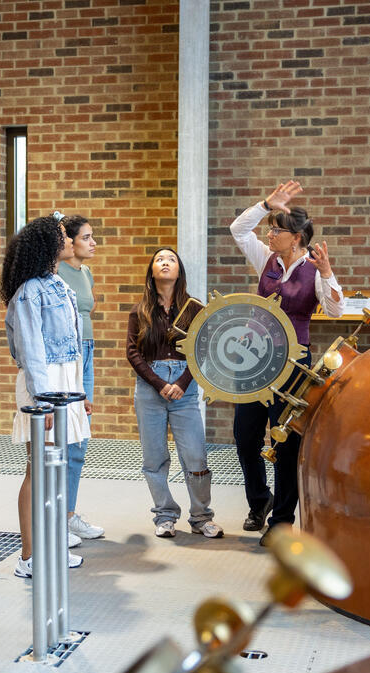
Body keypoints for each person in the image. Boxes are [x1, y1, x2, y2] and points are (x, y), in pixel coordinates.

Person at [229, 180, 344, 545]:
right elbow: (238, 229)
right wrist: (266, 204)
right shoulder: (266, 258)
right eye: (270, 229)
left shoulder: (313, 267)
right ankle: (259, 501)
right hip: (254, 357)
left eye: (276, 230)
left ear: (295, 237)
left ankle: (281, 522)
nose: (269, 234)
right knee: (245, 437)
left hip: (294, 363)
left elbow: (336, 309)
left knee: (285, 441)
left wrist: (326, 272)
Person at [1, 215, 90, 578]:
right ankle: (29, 556)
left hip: (65, 384)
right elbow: (30, 348)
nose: (67, 239)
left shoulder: (59, 285)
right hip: (44, 384)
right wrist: (43, 398)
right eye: (61, 236)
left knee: (56, 472)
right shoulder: (29, 291)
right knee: (37, 470)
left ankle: (52, 547)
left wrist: (79, 392)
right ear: (48, 245)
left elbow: (75, 345)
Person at [126, 247, 223, 539]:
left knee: (195, 455)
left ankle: (201, 516)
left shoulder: (194, 308)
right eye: (159, 259)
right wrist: (159, 383)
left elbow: (203, 349)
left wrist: (181, 383)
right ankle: (165, 515)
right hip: (150, 387)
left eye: (170, 259)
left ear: (179, 270)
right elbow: (132, 352)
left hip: (185, 387)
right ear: (152, 271)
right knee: (154, 458)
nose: (165, 262)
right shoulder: (140, 309)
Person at [56, 215, 105, 542]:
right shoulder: (53, 273)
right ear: (69, 242)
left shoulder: (85, 272)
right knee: (64, 437)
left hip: (86, 353)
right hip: (68, 358)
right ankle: (56, 518)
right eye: (86, 237)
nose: (93, 243)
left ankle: (69, 514)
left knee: (80, 437)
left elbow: (86, 307)